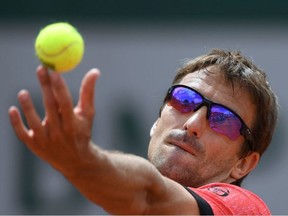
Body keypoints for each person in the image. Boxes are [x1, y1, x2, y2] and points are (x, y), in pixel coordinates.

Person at [8, 49, 278, 215]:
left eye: (223, 120)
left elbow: (148, 195)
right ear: (157, 119)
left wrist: (82, 160)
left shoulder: (244, 209)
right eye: (184, 100)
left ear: (243, 163)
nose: (193, 124)